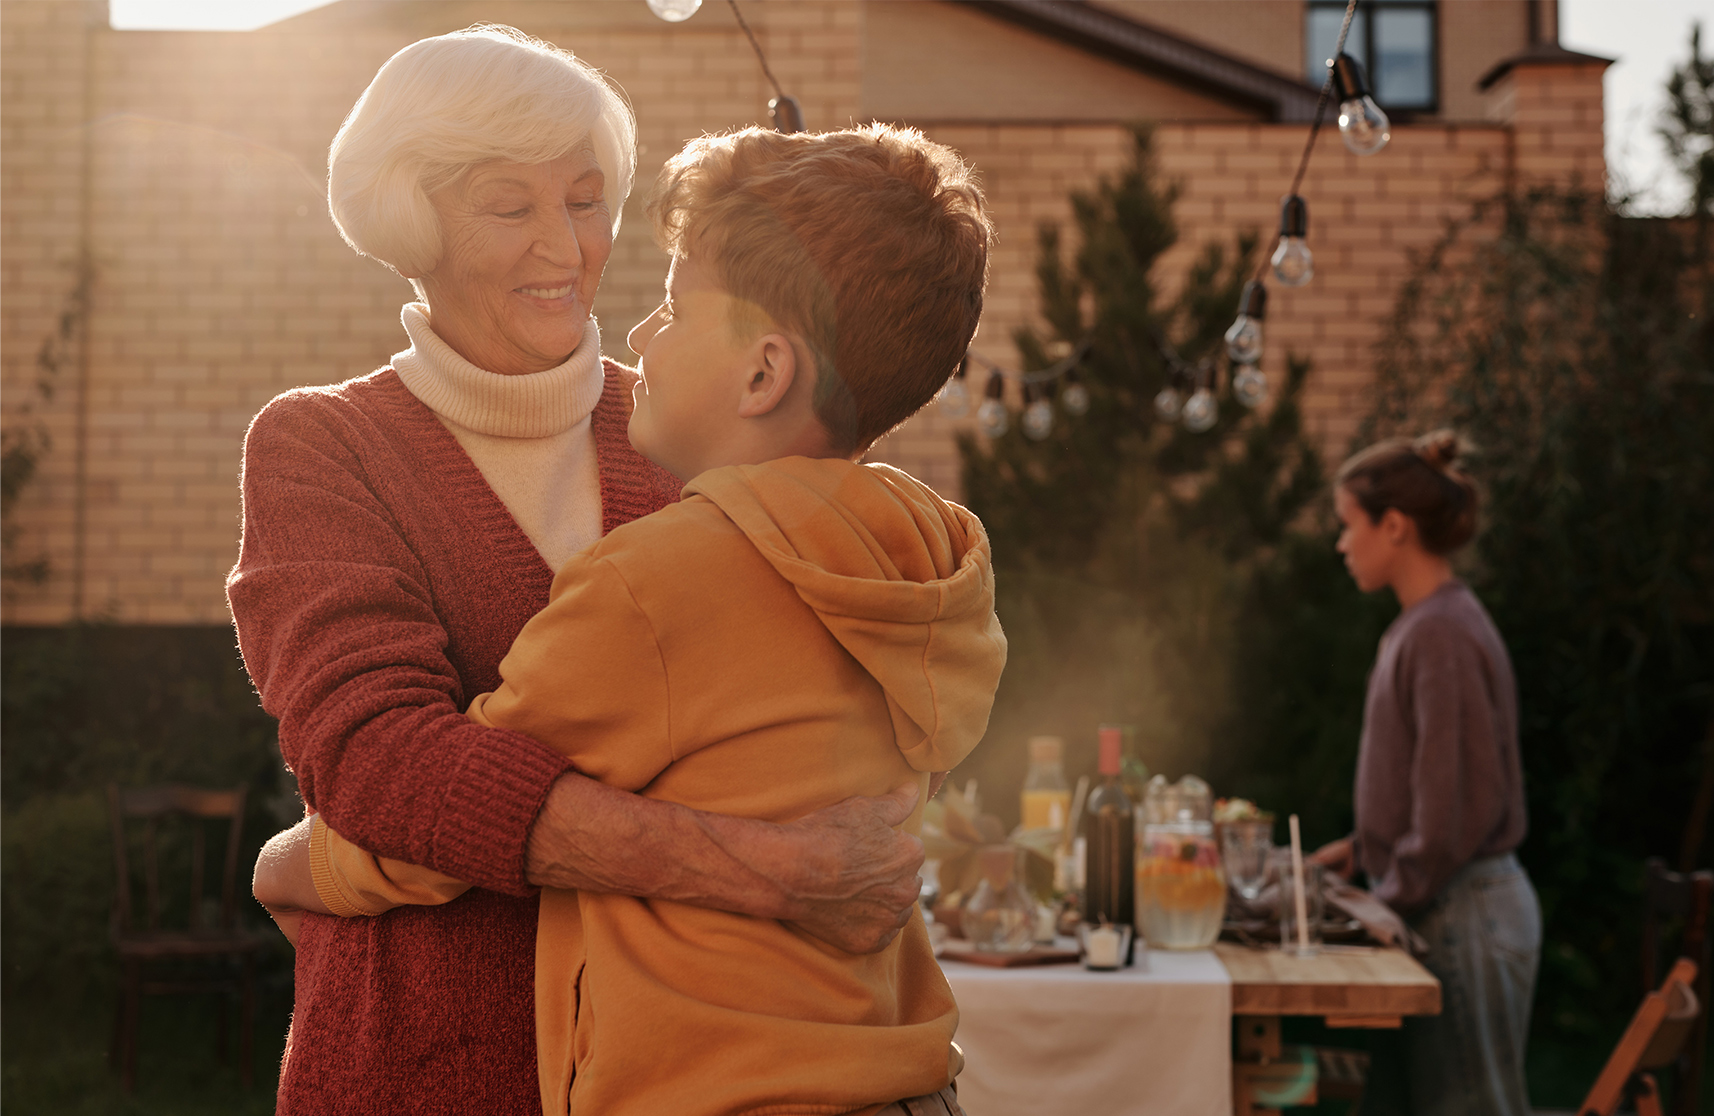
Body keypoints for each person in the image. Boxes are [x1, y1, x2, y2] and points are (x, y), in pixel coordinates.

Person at [229, 27, 930, 1116]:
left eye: (587, 198)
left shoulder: (709, 422)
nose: (566, 246)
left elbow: (810, 714)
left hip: (679, 1069)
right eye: (508, 206)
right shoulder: (323, 446)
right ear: (415, 221)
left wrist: (317, 860)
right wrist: (770, 870)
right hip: (432, 1063)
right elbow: (375, 758)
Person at [1311, 431, 1540, 1116]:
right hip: (1449, 905)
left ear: (1396, 526)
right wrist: (1359, 851)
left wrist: (1386, 900)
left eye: (1348, 525)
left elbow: (1450, 810)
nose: (1341, 544)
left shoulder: (1440, 633)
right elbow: (1433, 785)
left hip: (1464, 914)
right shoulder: (1425, 625)